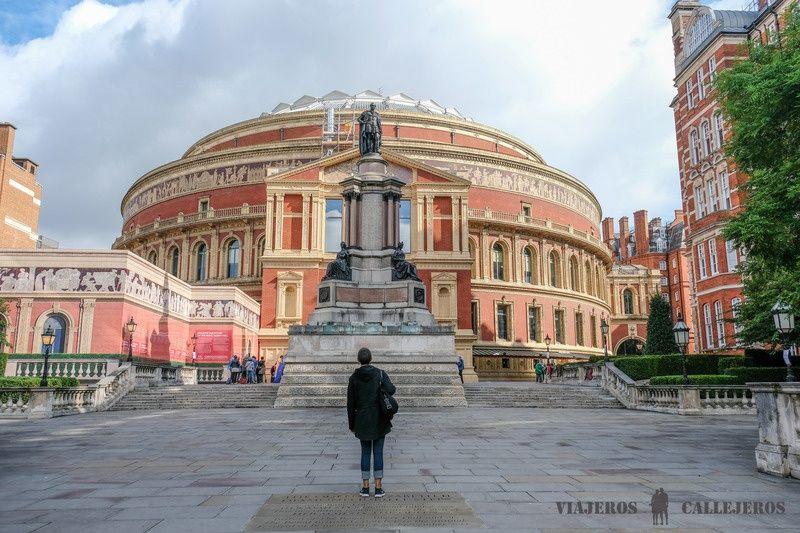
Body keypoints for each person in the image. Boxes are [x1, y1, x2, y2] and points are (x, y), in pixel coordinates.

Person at [347, 347, 395, 498]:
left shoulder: (354, 378)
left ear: (359, 360)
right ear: (371, 359)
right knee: (378, 452)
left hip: (362, 420)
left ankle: (365, 487)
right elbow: (392, 390)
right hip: (380, 418)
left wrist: (352, 424)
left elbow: (350, 404)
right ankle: (379, 487)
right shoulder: (380, 373)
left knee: (365, 452)